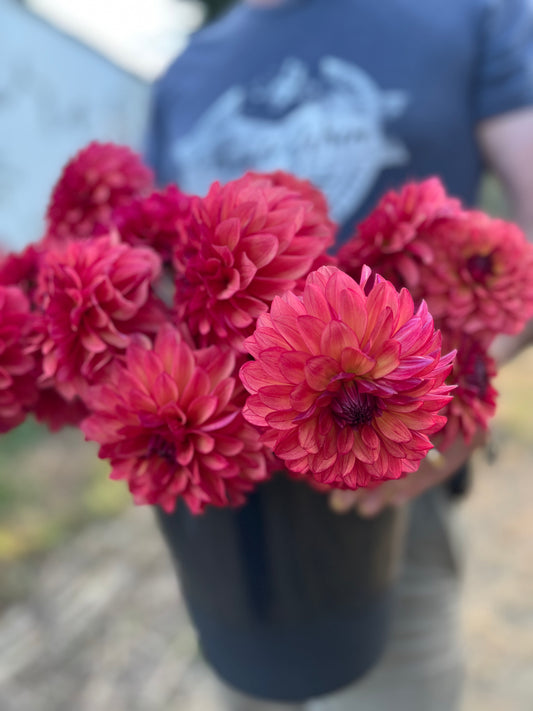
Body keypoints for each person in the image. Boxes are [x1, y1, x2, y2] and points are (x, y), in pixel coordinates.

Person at [145, 0, 533, 708]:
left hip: (386, 494)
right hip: (230, 538)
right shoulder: (181, 75)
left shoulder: (471, 13)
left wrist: (461, 377)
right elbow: (157, 264)